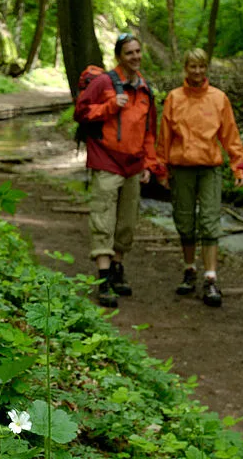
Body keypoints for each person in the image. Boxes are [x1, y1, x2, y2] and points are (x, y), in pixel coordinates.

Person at [74, 34, 164, 307]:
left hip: (133, 166)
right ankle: (102, 280)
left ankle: (117, 269)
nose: (135, 57)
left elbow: (149, 132)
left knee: (126, 224)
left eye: (138, 51)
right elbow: (81, 112)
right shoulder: (103, 83)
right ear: (119, 56)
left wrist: (149, 163)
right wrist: (110, 106)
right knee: (103, 220)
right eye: (129, 53)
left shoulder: (145, 89)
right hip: (106, 161)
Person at [156, 48, 243, 307]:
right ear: (185, 68)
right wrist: (161, 169)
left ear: (206, 68)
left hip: (209, 168)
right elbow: (164, 138)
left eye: (201, 67)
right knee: (184, 221)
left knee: (209, 221)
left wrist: (239, 166)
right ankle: (189, 270)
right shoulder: (174, 98)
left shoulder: (219, 99)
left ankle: (210, 278)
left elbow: (230, 135)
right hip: (182, 167)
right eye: (192, 67)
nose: (197, 72)